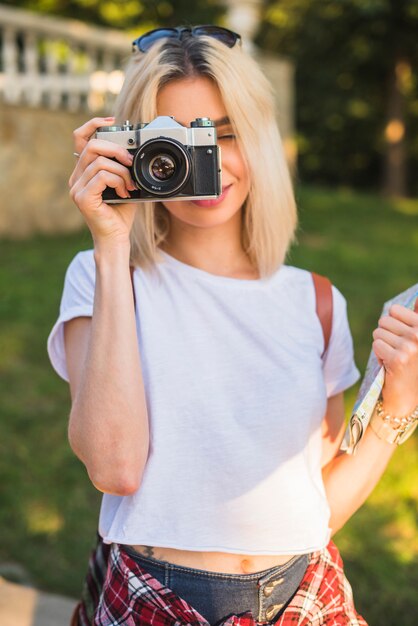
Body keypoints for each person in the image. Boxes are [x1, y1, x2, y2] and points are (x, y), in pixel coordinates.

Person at [47, 26, 418, 626]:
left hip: (305, 596)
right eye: (174, 141)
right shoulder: (102, 276)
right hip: (157, 601)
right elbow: (115, 467)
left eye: (224, 135)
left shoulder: (317, 301)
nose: (206, 164)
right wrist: (112, 244)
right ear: (129, 147)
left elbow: (314, 510)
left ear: (261, 140)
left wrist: (399, 405)